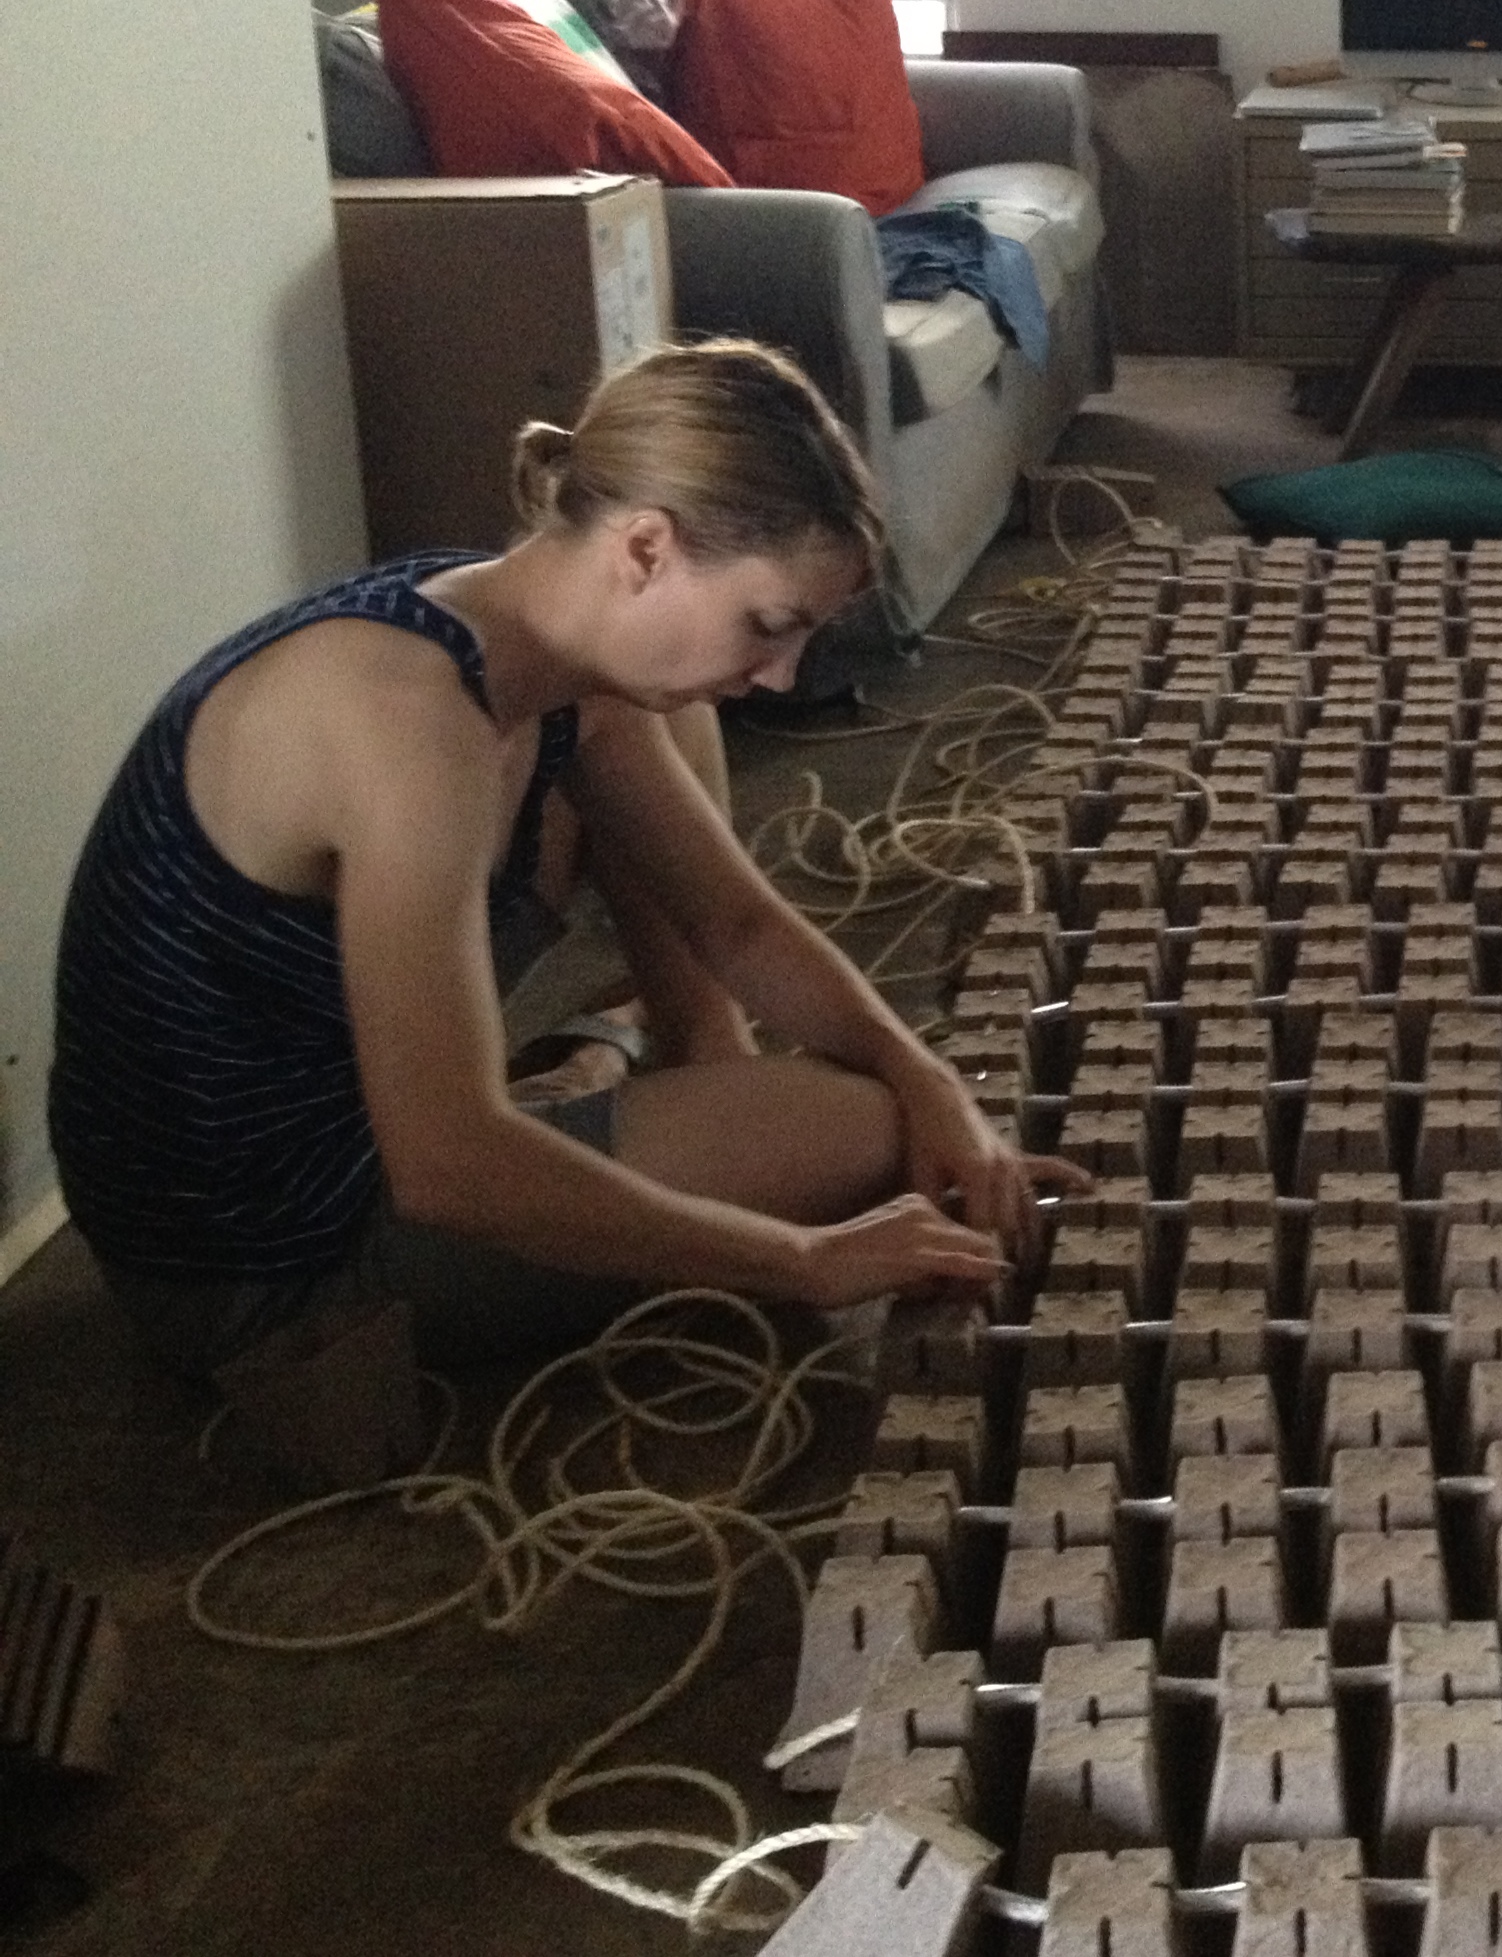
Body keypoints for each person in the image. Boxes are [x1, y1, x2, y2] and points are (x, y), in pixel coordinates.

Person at [51, 339, 1078, 1377]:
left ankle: (685, 1074)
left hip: (357, 1126)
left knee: (672, 722)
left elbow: (740, 925)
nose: (781, 676)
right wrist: (803, 1258)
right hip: (262, 1261)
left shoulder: (510, 623)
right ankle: (664, 1136)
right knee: (857, 1137)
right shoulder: (404, 728)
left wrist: (928, 1072)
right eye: (769, 625)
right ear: (644, 549)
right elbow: (449, 1165)